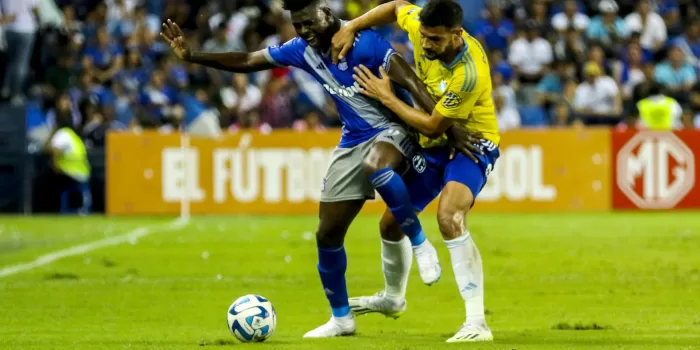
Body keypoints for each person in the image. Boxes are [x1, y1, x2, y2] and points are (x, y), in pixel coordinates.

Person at [160, 0, 481, 339]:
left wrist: (448, 128)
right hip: (352, 139)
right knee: (327, 234)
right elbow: (249, 60)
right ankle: (341, 319)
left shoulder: (367, 43)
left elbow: (414, 83)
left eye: (309, 22)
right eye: (298, 26)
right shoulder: (301, 50)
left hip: (395, 130)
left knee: (377, 165)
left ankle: (420, 244)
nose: (304, 31)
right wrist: (192, 56)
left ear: (327, 13)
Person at [332, 0, 500, 342]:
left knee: (449, 216)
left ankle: (477, 322)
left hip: (471, 143)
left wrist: (387, 96)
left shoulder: (468, 73)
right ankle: (393, 299)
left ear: (456, 35)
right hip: (434, 144)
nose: (425, 45)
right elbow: (395, 7)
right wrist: (350, 25)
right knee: (391, 224)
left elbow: (436, 124)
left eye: (435, 40)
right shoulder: (418, 23)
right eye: (423, 36)